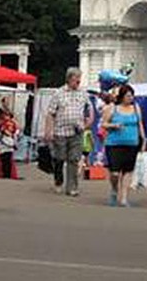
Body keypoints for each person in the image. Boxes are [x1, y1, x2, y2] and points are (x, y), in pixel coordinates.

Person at [43, 67, 93, 197]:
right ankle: (58, 180)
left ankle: (72, 188)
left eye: (80, 79)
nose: (79, 82)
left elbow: (89, 110)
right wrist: (48, 131)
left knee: (74, 159)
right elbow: (50, 113)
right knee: (59, 158)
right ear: (69, 79)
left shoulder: (83, 93)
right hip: (60, 131)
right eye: (77, 79)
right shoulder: (58, 93)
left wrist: (88, 123)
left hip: (77, 132)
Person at [102, 84, 145, 208]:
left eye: (132, 95)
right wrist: (114, 126)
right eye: (128, 96)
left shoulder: (136, 108)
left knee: (127, 171)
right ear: (122, 96)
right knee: (115, 173)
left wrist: (143, 140)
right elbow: (104, 124)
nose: (130, 98)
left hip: (132, 143)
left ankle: (124, 198)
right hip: (114, 144)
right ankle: (115, 189)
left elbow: (140, 124)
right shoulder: (113, 108)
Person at [0, 107, 19, 179]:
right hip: (4, 144)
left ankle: (7, 175)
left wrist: (3, 132)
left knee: (6, 161)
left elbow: (10, 133)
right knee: (4, 161)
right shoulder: (5, 124)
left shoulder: (7, 123)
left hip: (7, 144)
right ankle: (6, 175)